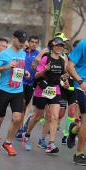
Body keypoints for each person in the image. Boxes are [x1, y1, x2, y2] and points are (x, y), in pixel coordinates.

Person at [22, 37, 67, 153]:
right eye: (57, 45)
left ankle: (51, 143)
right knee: (38, 116)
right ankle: (26, 135)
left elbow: (61, 75)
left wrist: (64, 80)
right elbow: (36, 75)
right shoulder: (46, 58)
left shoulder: (62, 60)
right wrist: (45, 69)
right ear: (52, 46)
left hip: (55, 90)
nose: (59, 47)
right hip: (42, 89)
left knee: (54, 117)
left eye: (61, 46)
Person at [0, 29, 30, 156]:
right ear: (14, 38)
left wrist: (25, 72)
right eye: (20, 41)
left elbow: (20, 67)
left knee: (17, 119)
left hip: (18, 90)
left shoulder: (23, 54)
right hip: (3, 90)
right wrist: (6, 67)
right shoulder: (4, 54)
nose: (22, 44)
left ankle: (7, 143)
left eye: (24, 42)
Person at [15, 35, 39, 138]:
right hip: (20, 82)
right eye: (32, 42)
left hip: (31, 83)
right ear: (28, 42)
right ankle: (19, 128)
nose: (34, 44)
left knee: (25, 106)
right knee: (22, 104)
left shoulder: (38, 55)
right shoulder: (22, 53)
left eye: (36, 42)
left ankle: (20, 126)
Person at [66, 38, 86, 166]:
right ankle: (79, 154)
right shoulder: (83, 44)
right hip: (82, 86)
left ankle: (74, 130)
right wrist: (80, 82)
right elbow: (69, 66)